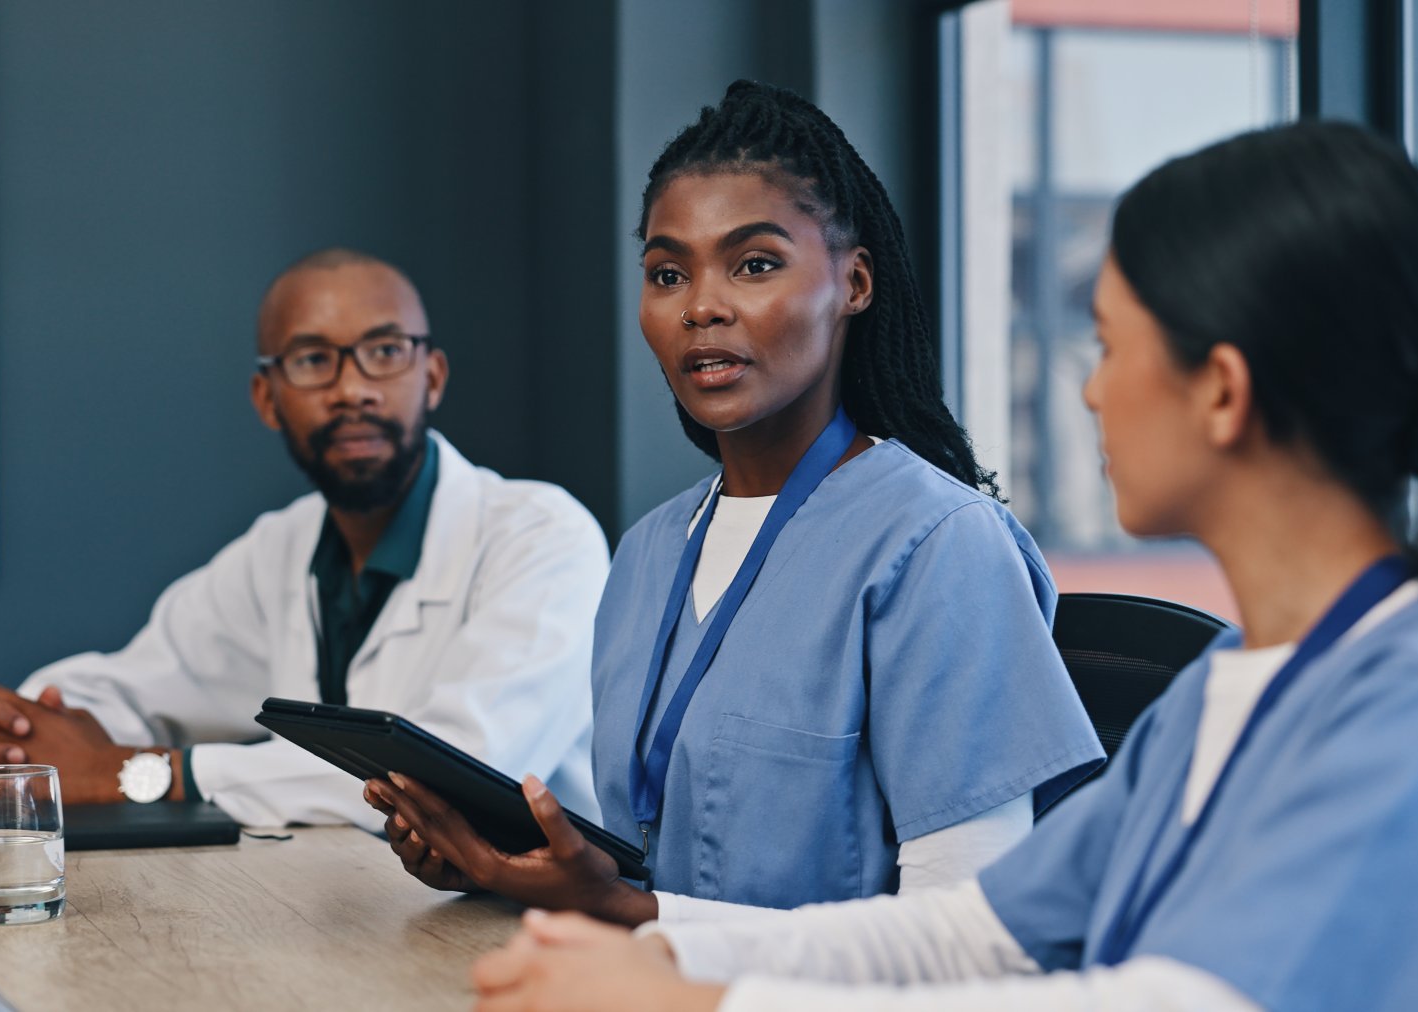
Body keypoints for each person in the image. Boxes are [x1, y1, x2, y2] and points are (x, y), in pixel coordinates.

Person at [465, 121, 1418, 1011]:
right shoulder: (1224, 695)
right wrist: (658, 948)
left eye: (1108, 345)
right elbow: (985, 934)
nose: (1091, 389)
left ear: (1221, 390)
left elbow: (1192, 1002)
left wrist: (704, 1000)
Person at [365, 81, 1102, 926]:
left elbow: (964, 934)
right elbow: (650, 859)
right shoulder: (647, 553)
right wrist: (496, 866)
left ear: (855, 282)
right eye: (667, 274)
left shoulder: (941, 545)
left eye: (754, 264)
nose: (701, 306)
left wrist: (627, 911)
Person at [0, 249, 610, 828]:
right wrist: (27, 730)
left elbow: (456, 772)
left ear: (431, 377)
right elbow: (138, 680)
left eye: (384, 353)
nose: (353, 390)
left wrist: (142, 774)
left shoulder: (542, 537)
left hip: (517, 919)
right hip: (342, 900)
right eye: (314, 360)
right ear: (267, 398)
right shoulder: (282, 547)